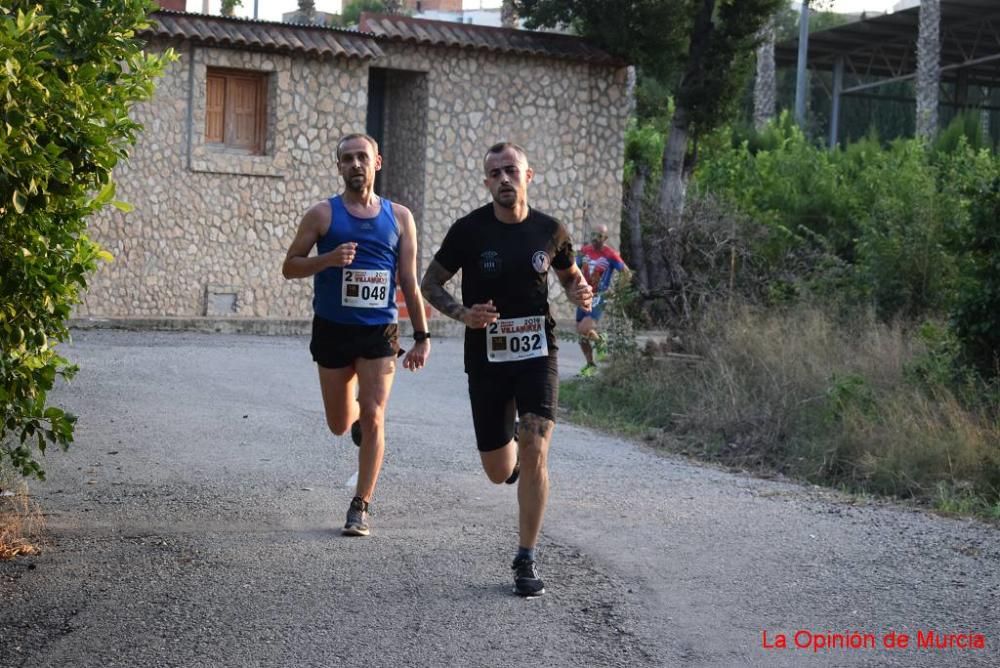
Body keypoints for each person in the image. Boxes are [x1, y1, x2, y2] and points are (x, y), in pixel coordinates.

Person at [420, 142, 593, 597]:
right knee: (499, 471)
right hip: (488, 357)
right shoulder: (469, 231)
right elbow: (429, 283)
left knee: (536, 444)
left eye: (511, 171)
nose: (504, 179)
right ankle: (511, 464)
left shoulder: (549, 230)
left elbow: (570, 274)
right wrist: (462, 314)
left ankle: (526, 557)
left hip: (538, 353)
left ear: (528, 176)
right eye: (494, 173)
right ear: (486, 183)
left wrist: (580, 294)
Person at [282, 133, 431, 537]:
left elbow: (408, 280)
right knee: (338, 423)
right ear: (339, 167)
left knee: (376, 413)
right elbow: (290, 266)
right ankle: (357, 422)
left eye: (361, 157)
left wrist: (422, 335)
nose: (355, 165)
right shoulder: (322, 216)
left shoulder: (399, 217)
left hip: (379, 331)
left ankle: (360, 505)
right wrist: (328, 260)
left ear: (376, 162)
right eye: (346, 159)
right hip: (332, 329)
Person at [576, 224, 630, 376]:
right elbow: (574, 267)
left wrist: (616, 291)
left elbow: (626, 273)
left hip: (599, 296)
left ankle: (600, 341)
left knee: (584, 329)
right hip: (583, 295)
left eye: (599, 236)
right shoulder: (585, 251)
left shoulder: (610, 254)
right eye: (593, 235)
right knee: (581, 336)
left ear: (605, 238)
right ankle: (590, 365)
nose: (595, 238)